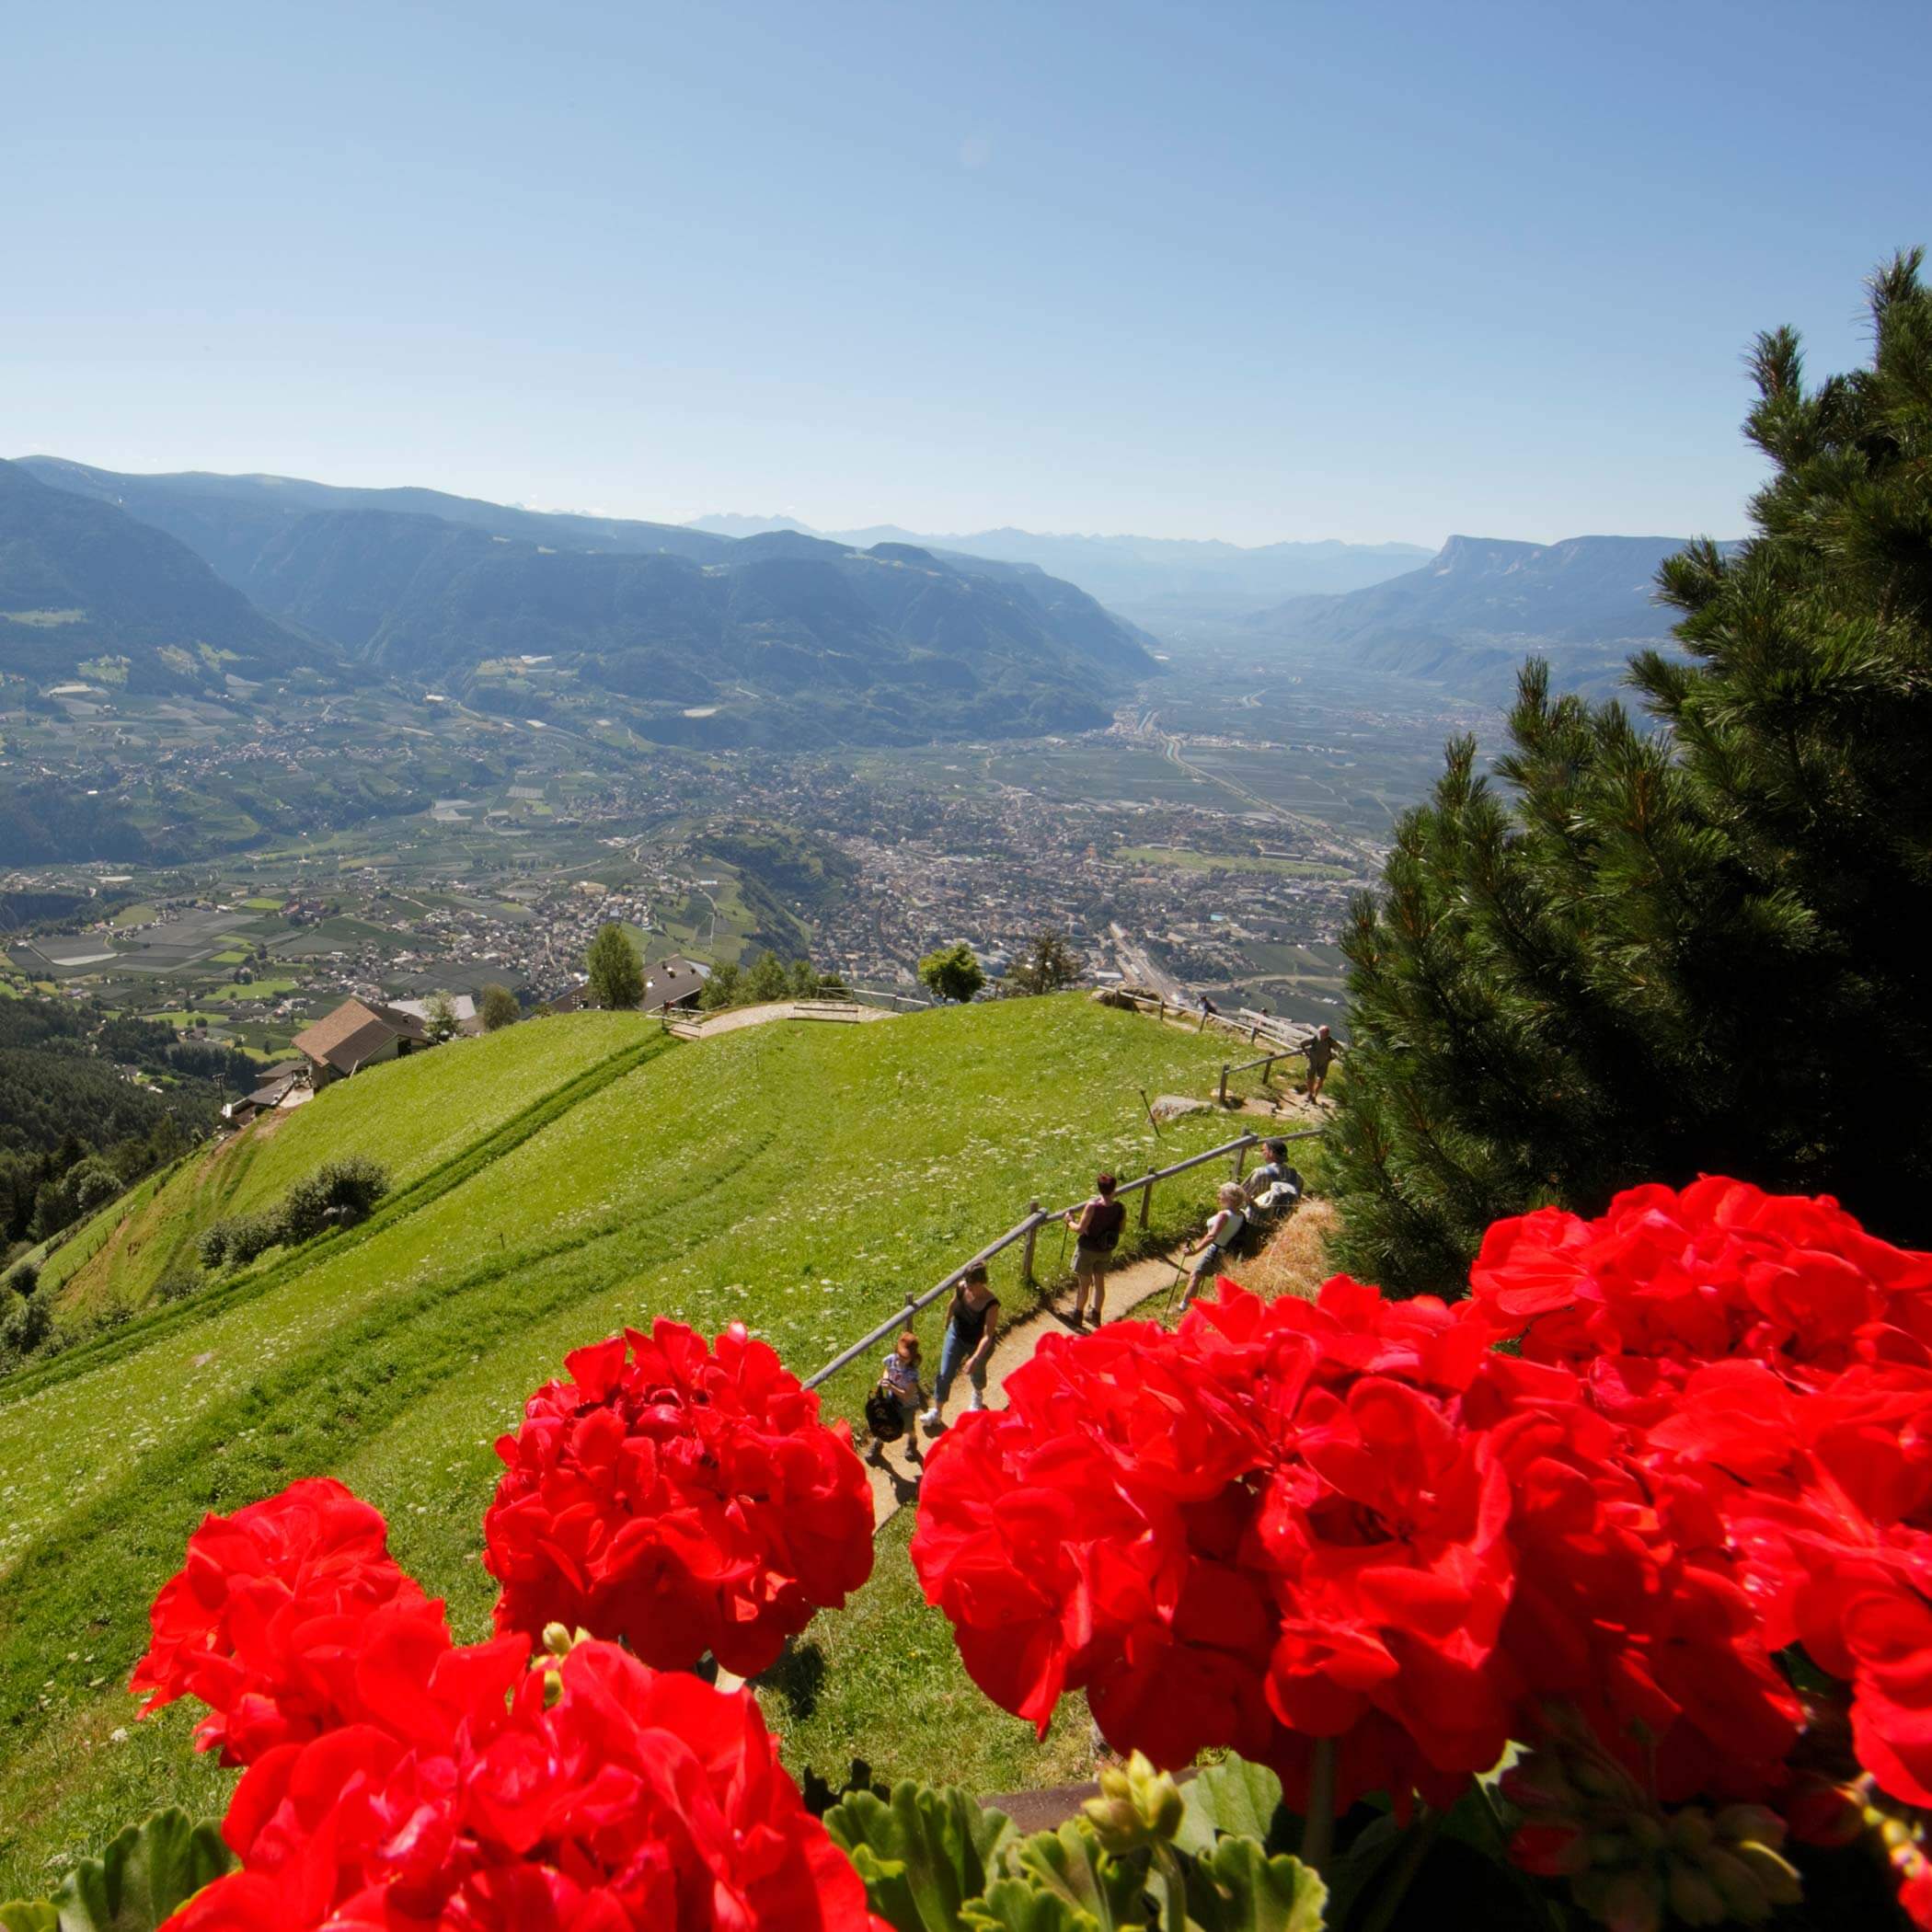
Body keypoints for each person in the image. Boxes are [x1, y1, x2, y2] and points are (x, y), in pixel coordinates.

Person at [921, 1263, 1001, 1435]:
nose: (968, 1286)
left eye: (971, 1283)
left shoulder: (991, 1304)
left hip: (977, 1343)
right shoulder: (962, 1288)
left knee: (976, 1373)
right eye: (967, 1282)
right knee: (944, 1373)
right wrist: (947, 1323)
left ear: (981, 1282)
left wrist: (975, 1358)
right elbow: (953, 1304)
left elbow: (988, 1336)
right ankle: (937, 1411)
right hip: (956, 1334)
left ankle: (978, 1393)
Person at [1064, 1172, 1127, 1326]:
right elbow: (1122, 1229)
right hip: (1105, 1250)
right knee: (1099, 1283)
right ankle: (1095, 1314)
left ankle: (1077, 1314)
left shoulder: (1093, 1206)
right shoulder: (1120, 1208)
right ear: (1114, 1188)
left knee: (1084, 1283)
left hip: (1087, 1249)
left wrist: (1069, 1221)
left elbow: (1080, 1229)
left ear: (1099, 1188)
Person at [1179, 1182, 1248, 1310]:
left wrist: (1194, 1251)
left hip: (1216, 1251)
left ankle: (1183, 1307)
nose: (1219, 1196)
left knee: (1196, 1276)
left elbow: (1212, 1236)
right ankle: (1222, 1308)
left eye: (1222, 1194)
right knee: (1220, 1281)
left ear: (1230, 1198)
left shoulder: (1225, 1215)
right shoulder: (1241, 1214)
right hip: (1229, 1252)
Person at [868, 1330, 926, 1464]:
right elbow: (886, 1370)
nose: (900, 1359)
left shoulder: (912, 1374)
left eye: (905, 1357)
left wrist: (891, 1388)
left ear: (912, 1357)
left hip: (906, 1405)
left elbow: (907, 1395)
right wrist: (885, 1380)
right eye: (899, 1354)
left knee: (907, 1427)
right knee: (884, 1421)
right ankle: (878, 1443)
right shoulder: (892, 1359)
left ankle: (912, 1441)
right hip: (890, 1400)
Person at [1245, 1139, 1304, 1210]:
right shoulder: (1297, 1177)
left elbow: (1241, 1196)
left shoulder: (1260, 1173)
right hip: (1285, 1219)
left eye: (1263, 1150)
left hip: (1258, 1217)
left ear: (1271, 1153)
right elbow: (1297, 1202)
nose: (1261, 1153)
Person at [1303, 1024, 1342, 1104]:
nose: (1326, 1034)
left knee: (1321, 1080)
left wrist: (1333, 1056)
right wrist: (1307, 1054)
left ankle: (1314, 1096)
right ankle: (1310, 1094)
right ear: (1320, 1032)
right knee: (1310, 1078)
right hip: (1313, 1061)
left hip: (1324, 1063)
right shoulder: (1314, 1038)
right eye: (1324, 1033)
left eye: (1327, 1033)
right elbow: (1302, 1044)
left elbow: (1339, 1049)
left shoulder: (1330, 1040)